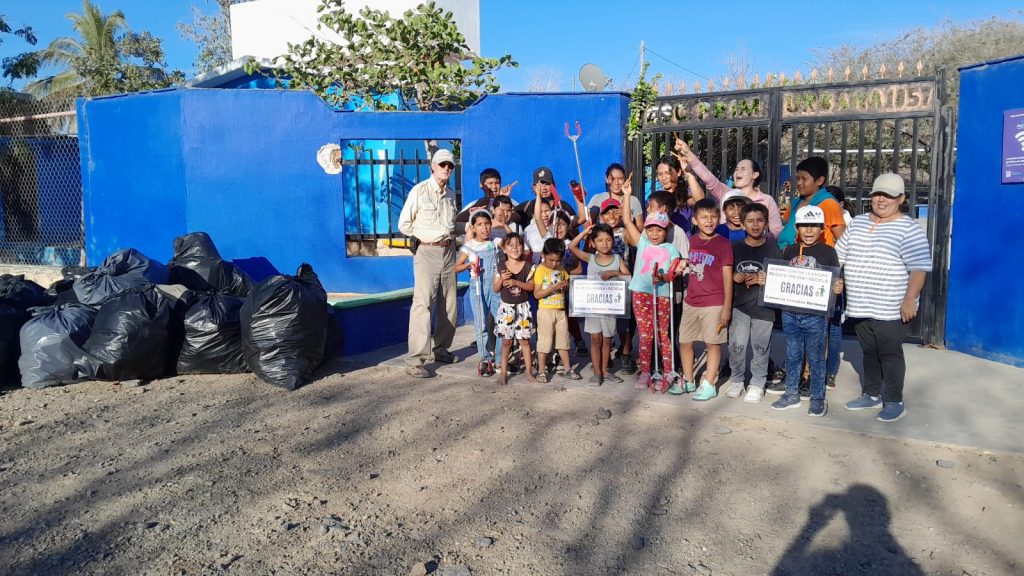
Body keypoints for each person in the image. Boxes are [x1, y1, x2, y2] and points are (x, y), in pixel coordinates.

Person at [837, 173, 932, 422]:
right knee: (868, 351)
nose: (881, 200)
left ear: (901, 198)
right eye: (878, 194)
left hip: (892, 308)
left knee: (889, 353)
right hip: (860, 305)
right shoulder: (857, 222)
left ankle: (894, 400)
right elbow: (840, 256)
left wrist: (910, 299)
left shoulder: (909, 229)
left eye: (888, 196)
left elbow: (919, 268)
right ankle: (871, 394)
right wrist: (837, 278)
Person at [771, 205, 845, 417]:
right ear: (796, 228)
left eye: (814, 226)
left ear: (822, 229)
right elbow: (780, 279)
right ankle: (791, 394)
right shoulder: (790, 251)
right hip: (790, 314)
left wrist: (838, 287)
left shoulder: (829, 252)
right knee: (793, 355)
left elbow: (836, 282)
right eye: (804, 226)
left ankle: (818, 398)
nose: (809, 230)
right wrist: (769, 279)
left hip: (816, 316)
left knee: (815, 358)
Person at [398, 148, 459, 378]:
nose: (446, 169)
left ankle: (441, 348)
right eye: (442, 164)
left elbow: (451, 227)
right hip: (427, 252)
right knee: (423, 305)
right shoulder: (420, 191)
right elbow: (404, 223)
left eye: (450, 165)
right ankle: (416, 360)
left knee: (449, 305)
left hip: (448, 252)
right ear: (432, 166)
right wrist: (421, 236)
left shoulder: (451, 194)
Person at [620, 210, 684, 392]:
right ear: (646, 230)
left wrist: (666, 276)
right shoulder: (643, 242)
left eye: (660, 230)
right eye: (651, 229)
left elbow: (673, 272)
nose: (655, 234)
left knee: (663, 334)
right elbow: (626, 220)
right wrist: (626, 194)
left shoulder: (671, 249)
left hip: (662, 295)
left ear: (666, 231)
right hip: (641, 293)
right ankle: (646, 371)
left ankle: (668, 371)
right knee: (645, 335)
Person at [726, 202, 782, 404]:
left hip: (764, 308)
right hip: (739, 305)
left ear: (767, 223)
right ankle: (736, 379)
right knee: (737, 345)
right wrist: (734, 275)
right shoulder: (735, 248)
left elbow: (780, 279)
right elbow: (726, 273)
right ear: (742, 225)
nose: (755, 225)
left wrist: (766, 278)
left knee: (760, 347)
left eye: (760, 221)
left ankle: (758, 383)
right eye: (750, 221)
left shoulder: (773, 249)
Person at [680, 198, 734, 400]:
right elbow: (682, 265)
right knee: (685, 341)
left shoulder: (723, 244)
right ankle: (688, 379)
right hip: (691, 301)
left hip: (714, 302)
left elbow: (728, 277)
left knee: (713, 344)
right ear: (695, 220)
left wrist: (726, 308)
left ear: (719, 219)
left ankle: (710, 383)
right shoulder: (689, 242)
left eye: (713, 217)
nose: (709, 221)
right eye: (704, 217)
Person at [674, 139, 783, 238]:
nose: (737, 172)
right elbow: (708, 178)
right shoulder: (725, 193)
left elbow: (777, 230)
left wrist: (759, 239)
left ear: (755, 175)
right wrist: (688, 153)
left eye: (743, 169)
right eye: (736, 169)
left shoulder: (767, 200)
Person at [569, 223, 631, 385]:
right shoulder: (591, 258)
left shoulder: (617, 259)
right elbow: (572, 246)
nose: (605, 243)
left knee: (607, 341)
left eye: (608, 240)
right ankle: (596, 372)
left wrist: (614, 272)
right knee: (595, 339)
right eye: (600, 240)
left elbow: (628, 276)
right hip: (592, 308)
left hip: (610, 308)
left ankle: (605, 370)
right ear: (593, 243)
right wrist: (585, 233)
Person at [455, 210, 502, 377]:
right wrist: (469, 266)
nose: (484, 228)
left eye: (487, 223)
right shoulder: (470, 246)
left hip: (496, 287)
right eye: (480, 225)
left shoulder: (496, 242)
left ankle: (499, 358)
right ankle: (485, 358)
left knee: (501, 323)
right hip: (477, 287)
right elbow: (456, 267)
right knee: (481, 324)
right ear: (473, 228)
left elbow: (514, 251)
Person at [532, 237, 582, 382]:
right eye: (551, 260)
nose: (554, 264)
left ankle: (567, 369)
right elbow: (537, 294)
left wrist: (565, 286)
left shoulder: (561, 270)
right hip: (545, 311)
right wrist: (553, 287)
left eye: (557, 261)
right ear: (543, 255)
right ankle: (541, 371)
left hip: (560, 311)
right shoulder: (540, 270)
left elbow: (567, 285)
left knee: (564, 341)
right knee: (544, 342)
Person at [493, 233, 536, 386]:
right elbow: (496, 288)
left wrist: (515, 282)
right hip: (506, 309)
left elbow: (531, 286)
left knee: (524, 341)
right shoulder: (500, 267)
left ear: (523, 248)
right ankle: (503, 373)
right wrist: (502, 280)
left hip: (523, 308)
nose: (515, 248)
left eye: (518, 244)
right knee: (506, 342)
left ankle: (529, 372)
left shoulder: (529, 266)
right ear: (504, 249)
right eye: (510, 245)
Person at [777, 157, 846, 249]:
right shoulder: (795, 202)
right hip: (788, 257)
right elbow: (787, 228)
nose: (799, 183)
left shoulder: (829, 203)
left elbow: (842, 240)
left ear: (819, 181)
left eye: (804, 179)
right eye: (798, 178)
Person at [587, 163, 644, 229]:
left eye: (620, 179)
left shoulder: (633, 201)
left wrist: (627, 217)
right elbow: (588, 224)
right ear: (606, 179)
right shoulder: (597, 199)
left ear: (625, 179)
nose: (616, 182)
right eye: (612, 179)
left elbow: (640, 227)